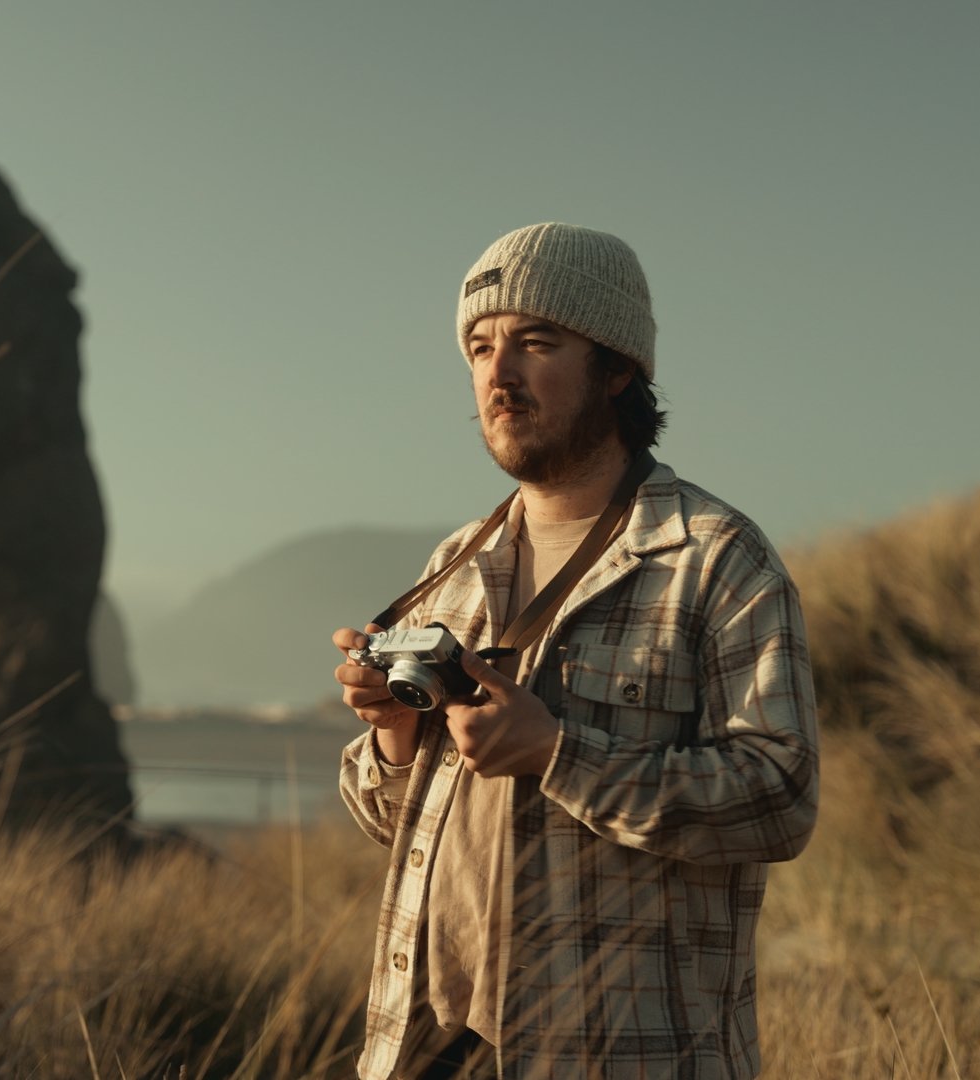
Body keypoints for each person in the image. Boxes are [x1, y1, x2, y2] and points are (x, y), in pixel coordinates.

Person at [334, 223, 819, 1080]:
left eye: (536, 342)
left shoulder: (714, 558)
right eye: (480, 347)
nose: (497, 373)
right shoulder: (453, 567)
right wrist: (391, 736)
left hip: (622, 1058)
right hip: (428, 1047)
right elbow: (390, 821)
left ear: (619, 366)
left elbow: (778, 795)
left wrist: (559, 753)